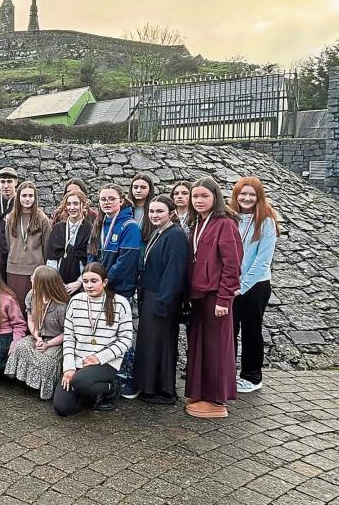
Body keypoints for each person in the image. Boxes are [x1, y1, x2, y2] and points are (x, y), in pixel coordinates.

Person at [185, 177, 243, 418]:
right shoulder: (197, 222)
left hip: (215, 296)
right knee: (200, 347)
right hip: (199, 295)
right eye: (195, 196)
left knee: (217, 348)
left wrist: (224, 298)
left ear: (215, 198)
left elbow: (232, 264)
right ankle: (202, 392)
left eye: (204, 196)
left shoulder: (225, 224)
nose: (199, 200)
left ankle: (217, 399)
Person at [53, 263, 133, 417]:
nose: (89, 285)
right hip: (79, 361)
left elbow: (125, 339)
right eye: (85, 281)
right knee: (62, 408)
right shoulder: (75, 301)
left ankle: (112, 388)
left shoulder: (120, 303)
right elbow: (69, 338)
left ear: (104, 282)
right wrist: (69, 368)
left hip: (106, 361)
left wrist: (98, 357)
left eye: (94, 281)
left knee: (80, 382)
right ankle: (89, 393)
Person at [131, 195, 189, 404]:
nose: (154, 215)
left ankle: (163, 390)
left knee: (161, 344)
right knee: (150, 343)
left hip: (162, 297)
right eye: (152, 212)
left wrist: (164, 301)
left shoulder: (175, 236)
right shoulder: (158, 231)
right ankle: (148, 386)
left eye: (159, 212)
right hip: (151, 295)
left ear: (171, 213)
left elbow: (174, 271)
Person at [87, 184, 141, 397]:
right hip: (101, 287)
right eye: (102, 199)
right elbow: (92, 253)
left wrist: (103, 281)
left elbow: (126, 261)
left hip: (119, 289)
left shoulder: (129, 226)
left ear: (121, 200)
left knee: (121, 334)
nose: (106, 203)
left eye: (111, 199)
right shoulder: (100, 223)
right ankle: (107, 374)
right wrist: (91, 277)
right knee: (103, 334)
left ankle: (127, 378)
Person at [229, 177, 279, 394]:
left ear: (259, 197)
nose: (247, 198)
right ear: (236, 195)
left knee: (251, 331)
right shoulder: (230, 218)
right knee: (229, 331)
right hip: (231, 284)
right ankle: (226, 372)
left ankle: (252, 376)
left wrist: (243, 285)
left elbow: (263, 260)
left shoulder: (266, 221)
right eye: (243, 194)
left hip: (255, 286)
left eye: (252, 195)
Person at [5, 266, 68, 400]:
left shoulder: (61, 305)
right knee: (20, 346)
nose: (31, 279)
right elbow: (31, 320)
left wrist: (48, 344)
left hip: (56, 341)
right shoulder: (31, 295)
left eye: (34, 278)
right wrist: (36, 336)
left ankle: (43, 387)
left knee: (47, 362)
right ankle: (26, 381)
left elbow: (67, 333)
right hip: (38, 336)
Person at [5, 181, 51, 314]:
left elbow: (46, 246)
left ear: (35, 198)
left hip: (34, 269)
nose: (27, 199)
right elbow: (8, 243)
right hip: (14, 268)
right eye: (24, 195)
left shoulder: (42, 218)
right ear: (18, 197)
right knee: (15, 304)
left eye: (30, 196)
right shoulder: (11, 218)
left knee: (33, 305)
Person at [47, 190, 94, 293]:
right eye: (68, 204)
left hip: (83, 284)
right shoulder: (57, 229)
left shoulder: (91, 230)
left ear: (83, 205)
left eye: (76, 203)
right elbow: (52, 258)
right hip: (58, 283)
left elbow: (92, 260)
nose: (72, 207)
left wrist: (79, 282)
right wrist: (57, 282)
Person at [0, 166, 18, 280]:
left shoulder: (22, 205)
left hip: (16, 257)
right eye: (2, 182)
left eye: (9, 181)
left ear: (16, 182)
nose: (6, 186)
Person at [129, 173, 157, 241]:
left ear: (150, 189)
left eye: (143, 187)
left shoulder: (155, 211)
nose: (138, 190)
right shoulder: (124, 210)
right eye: (135, 187)